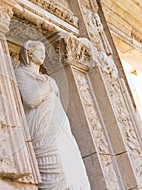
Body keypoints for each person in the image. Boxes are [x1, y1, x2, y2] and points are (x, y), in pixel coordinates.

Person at [15, 40, 90, 189]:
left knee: (69, 167)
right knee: (53, 174)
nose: (43, 55)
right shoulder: (21, 73)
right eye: (40, 51)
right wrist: (48, 84)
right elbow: (31, 99)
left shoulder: (48, 79)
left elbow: (58, 106)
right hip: (40, 129)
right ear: (30, 52)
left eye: (44, 51)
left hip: (58, 128)